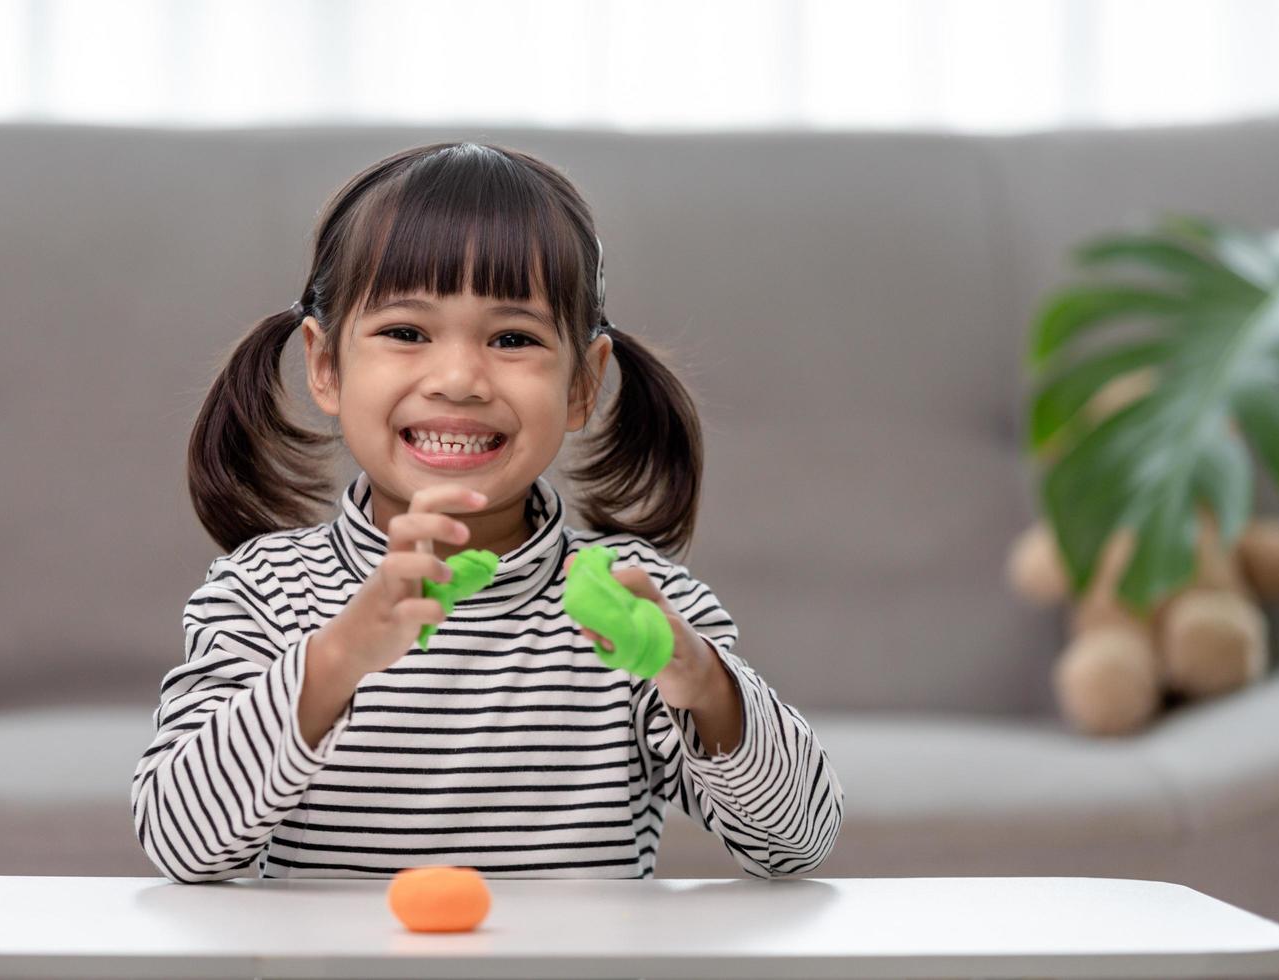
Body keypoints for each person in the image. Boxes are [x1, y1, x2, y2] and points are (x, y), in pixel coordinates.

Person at [130, 141, 843, 883]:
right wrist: (336, 659)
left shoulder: (639, 610)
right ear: (325, 365)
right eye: (406, 332)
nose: (460, 379)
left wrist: (704, 681)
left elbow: (800, 842)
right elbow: (181, 844)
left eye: (514, 339)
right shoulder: (264, 593)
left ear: (582, 385)